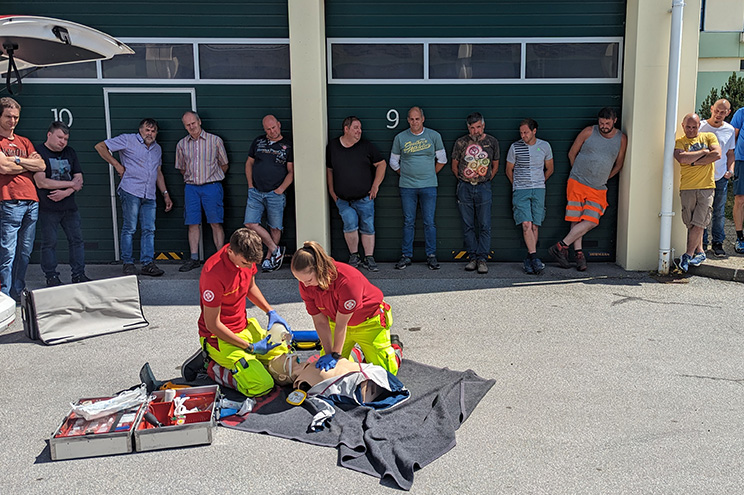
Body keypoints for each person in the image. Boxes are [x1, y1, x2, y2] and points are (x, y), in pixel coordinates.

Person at [195, 228, 292, 397]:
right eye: (246, 263)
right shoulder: (213, 274)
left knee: (284, 358)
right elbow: (213, 325)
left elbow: (250, 287)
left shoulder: (246, 255)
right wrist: (250, 347)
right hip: (219, 338)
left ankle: (245, 365)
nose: (249, 266)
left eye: (252, 264)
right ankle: (213, 368)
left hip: (244, 327)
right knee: (262, 385)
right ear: (230, 251)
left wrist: (271, 312)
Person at [291, 241, 399, 375]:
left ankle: (396, 350)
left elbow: (342, 325)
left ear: (319, 270)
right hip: (336, 322)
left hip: (368, 322)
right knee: (328, 371)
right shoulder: (306, 285)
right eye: (299, 280)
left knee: (384, 373)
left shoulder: (347, 280)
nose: (304, 286)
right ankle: (357, 352)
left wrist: (336, 355)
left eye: (308, 281)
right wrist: (329, 353)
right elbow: (320, 322)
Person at [548, 107, 627, 271]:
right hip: (577, 182)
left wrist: (604, 177)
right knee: (576, 220)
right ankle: (578, 255)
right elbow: (572, 153)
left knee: (591, 221)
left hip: (598, 187)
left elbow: (619, 164)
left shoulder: (621, 139)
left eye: (607, 123)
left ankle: (561, 246)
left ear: (615, 121)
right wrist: (577, 172)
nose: (604, 126)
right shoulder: (589, 131)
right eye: (601, 123)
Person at [95, 118, 173, 276]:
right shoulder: (128, 139)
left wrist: (165, 194)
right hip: (131, 190)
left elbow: (158, 173)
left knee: (149, 230)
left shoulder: (157, 149)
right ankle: (128, 263)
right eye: (147, 130)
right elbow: (100, 147)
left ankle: (147, 263)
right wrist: (117, 164)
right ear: (140, 130)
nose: (150, 133)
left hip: (149, 194)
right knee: (130, 228)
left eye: (153, 131)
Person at [34, 121, 91, 286]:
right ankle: (51, 277)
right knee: (49, 243)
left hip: (70, 207)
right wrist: (71, 184)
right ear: (49, 134)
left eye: (66, 139)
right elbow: (41, 182)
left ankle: (78, 275)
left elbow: (79, 179)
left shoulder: (70, 152)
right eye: (60, 137)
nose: (63, 142)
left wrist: (67, 191)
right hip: (47, 208)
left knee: (77, 241)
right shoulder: (38, 152)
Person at [0, 97, 46, 300]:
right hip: (9, 201)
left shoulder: (24, 141)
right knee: (8, 252)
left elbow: (42, 166)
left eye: (16, 117)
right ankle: (4, 294)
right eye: (8, 116)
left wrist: (17, 160)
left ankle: (17, 291)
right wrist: (28, 163)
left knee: (25, 251)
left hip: (32, 202)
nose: (13, 121)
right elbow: (3, 167)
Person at [326, 116, 386, 272]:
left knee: (367, 226)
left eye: (360, 128)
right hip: (343, 199)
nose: (359, 131)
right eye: (356, 128)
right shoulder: (333, 146)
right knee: (349, 224)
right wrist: (332, 191)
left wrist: (375, 186)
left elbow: (381, 164)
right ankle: (354, 256)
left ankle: (369, 258)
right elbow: (329, 170)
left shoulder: (366, 146)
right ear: (346, 129)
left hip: (364, 198)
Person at [390, 106, 447, 270]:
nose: (414, 122)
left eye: (417, 118)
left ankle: (431, 256)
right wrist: (406, 174)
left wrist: (430, 174)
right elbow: (393, 162)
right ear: (408, 120)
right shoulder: (400, 138)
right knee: (408, 222)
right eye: (411, 119)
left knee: (429, 222)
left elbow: (442, 159)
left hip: (429, 186)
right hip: (407, 187)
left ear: (423, 119)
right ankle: (406, 256)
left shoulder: (434, 136)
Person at [175, 111, 229, 272]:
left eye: (193, 123)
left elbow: (224, 164)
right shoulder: (181, 144)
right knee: (192, 223)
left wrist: (211, 177)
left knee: (215, 222)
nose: (191, 127)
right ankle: (193, 258)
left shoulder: (215, 141)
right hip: (191, 188)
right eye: (187, 125)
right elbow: (182, 168)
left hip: (212, 186)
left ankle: (221, 258)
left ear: (199, 122)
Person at [450, 112, 499, 274]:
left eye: (478, 127)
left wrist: (485, 178)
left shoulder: (492, 142)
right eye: (472, 128)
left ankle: (482, 259)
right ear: (468, 128)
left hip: (484, 187)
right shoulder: (461, 143)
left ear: (483, 126)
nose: (475, 131)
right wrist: (464, 179)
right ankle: (472, 258)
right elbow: (455, 165)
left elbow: (495, 164)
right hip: (464, 186)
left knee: (485, 225)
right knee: (468, 224)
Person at [244, 114, 294, 272]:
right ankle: (276, 249)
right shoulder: (258, 142)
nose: (272, 131)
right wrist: (250, 185)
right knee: (250, 223)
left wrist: (280, 190)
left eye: (274, 127)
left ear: (279, 125)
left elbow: (292, 171)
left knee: (275, 227)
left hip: (275, 194)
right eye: (268, 129)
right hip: (256, 192)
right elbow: (249, 163)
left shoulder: (288, 145)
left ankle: (269, 258)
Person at [673, 113, 721, 272]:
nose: (691, 130)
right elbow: (682, 159)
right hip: (687, 187)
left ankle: (687, 254)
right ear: (682, 126)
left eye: (694, 127)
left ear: (699, 126)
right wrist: (703, 153)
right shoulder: (680, 142)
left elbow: (717, 154)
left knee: (700, 221)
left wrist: (693, 161)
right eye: (688, 127)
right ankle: (700, 252)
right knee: (691, 222)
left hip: (706, 186)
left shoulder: (709, 136)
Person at [505, 118, 554, 275]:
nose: (523, 135)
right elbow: (509, 170)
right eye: (521, 132)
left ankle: (529, 259)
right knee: (526, 224)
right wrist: (517, 185)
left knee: (534, 225)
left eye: (526, 132)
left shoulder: (544, 146)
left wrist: (540, 182)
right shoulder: (515, 147)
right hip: (521, 190)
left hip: (539, 189)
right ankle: (534, 258)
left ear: (534, 131)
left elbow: (550, 168)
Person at [699, 99, 736, 257]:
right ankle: (702, 243)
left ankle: (718, 242)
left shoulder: (729, 130)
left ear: (728, 113)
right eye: (717, 111)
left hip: (720, 176)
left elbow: (730, 153)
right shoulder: (700, 126)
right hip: (702, 176)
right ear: (711, 109)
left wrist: (730, 170)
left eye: (723, 112)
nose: (719, 115)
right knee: (702, 211)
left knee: (719, 212)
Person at [731, 105, 744, 253]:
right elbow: (732, 138)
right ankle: (740, 238)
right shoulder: (741, 113)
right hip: (741, 160)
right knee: (740, 199)